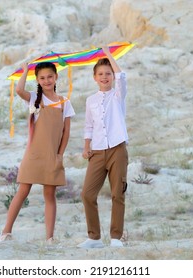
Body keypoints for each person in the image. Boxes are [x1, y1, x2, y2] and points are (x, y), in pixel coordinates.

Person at [0, 61, 75, 244]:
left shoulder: (65, 102)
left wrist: (60, 155)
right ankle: (6, 232)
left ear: (56, 77)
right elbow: (19, 90)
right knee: (22, 191)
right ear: (37, 80)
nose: (47, 80)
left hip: (52, 156)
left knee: (50, 195)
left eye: (50, 76)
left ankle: (50, 237)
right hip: (33, 155)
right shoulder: (35, 99)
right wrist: (26, 71)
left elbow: (66, 133)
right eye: (42, 78)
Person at [77, 46, 129, 248]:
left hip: (118, 148)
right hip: (97, 151)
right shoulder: (90, 100)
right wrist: (86, 146)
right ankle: (94, 237)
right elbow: (89, 125)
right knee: (87, 194)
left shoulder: (118, 95)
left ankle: (116, 237)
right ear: (94, 77)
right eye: (100, 74)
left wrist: (108, 54)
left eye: (108, 73)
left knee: (118, 193)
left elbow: (121, 76)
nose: (105, 77)